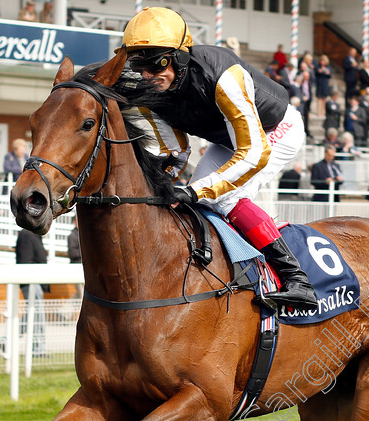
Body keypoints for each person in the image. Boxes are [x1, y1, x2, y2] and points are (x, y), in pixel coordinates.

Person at [119, 7, 317, 308]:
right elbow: (176, 150)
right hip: (229, 140)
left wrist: (195, 190)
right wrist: (163, 184)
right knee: (199, 198)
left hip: (274, 130)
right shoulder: (152, 90)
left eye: (156, 64)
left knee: (221, 197)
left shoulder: (223, 75)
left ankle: (297, 279)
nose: (148, 76)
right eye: (140, 67)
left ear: (179, 57)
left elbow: (254, 152)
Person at [16, 229, 48, 357]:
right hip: (30, 281)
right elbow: (25, 259)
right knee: (36, 315)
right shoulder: (26, 234)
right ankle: (37, 349)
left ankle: (7, 340)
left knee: (33, 314)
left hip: (36, 281)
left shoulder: (35, 234)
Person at [67, 214, 83, 299]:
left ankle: (62, 311)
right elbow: (72, 253)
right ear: (74, 222)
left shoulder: (82, 234)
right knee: (80, 294)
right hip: (77, 268)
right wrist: (85, 252)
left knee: (80, 294)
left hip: (82, 268)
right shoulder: (72, 236)